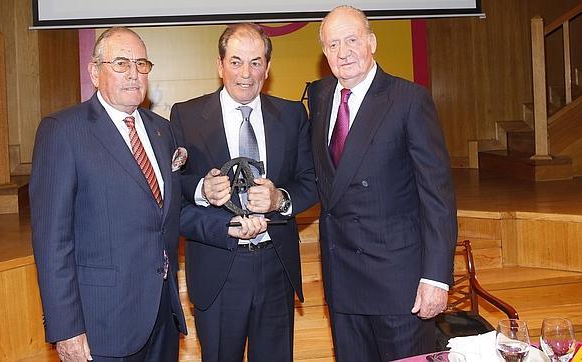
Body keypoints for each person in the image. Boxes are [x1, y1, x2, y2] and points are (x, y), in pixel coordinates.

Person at [308, 6, 458, 361]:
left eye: (352, 40)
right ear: (325, 53)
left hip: (399, 286)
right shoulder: (320, 96)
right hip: (342, 282)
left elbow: (437, 195)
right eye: (333, 45)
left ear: (372, 42)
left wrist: (436, 278)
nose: (343, 52)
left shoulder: (408, 99)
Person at [30, 27, 188, 361]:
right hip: (103, 324)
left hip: (162, 316)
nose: (134, 73)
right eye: (121, 63)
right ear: (94, 72)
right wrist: (66, 328)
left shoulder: (162, 131)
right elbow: (51, 240)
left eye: (141, 64)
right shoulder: (64, 131)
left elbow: (165, 217)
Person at [171, 23, 317, 362]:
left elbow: (310, 181)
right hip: (218, 268)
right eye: (236, 62)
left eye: (256, 62)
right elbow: (171, 193)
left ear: (267, 67)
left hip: (275, 268)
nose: (246, 73)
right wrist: (202, 190)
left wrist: (280, 199)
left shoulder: (293, 115)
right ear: (219, 66)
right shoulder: (186, 116)